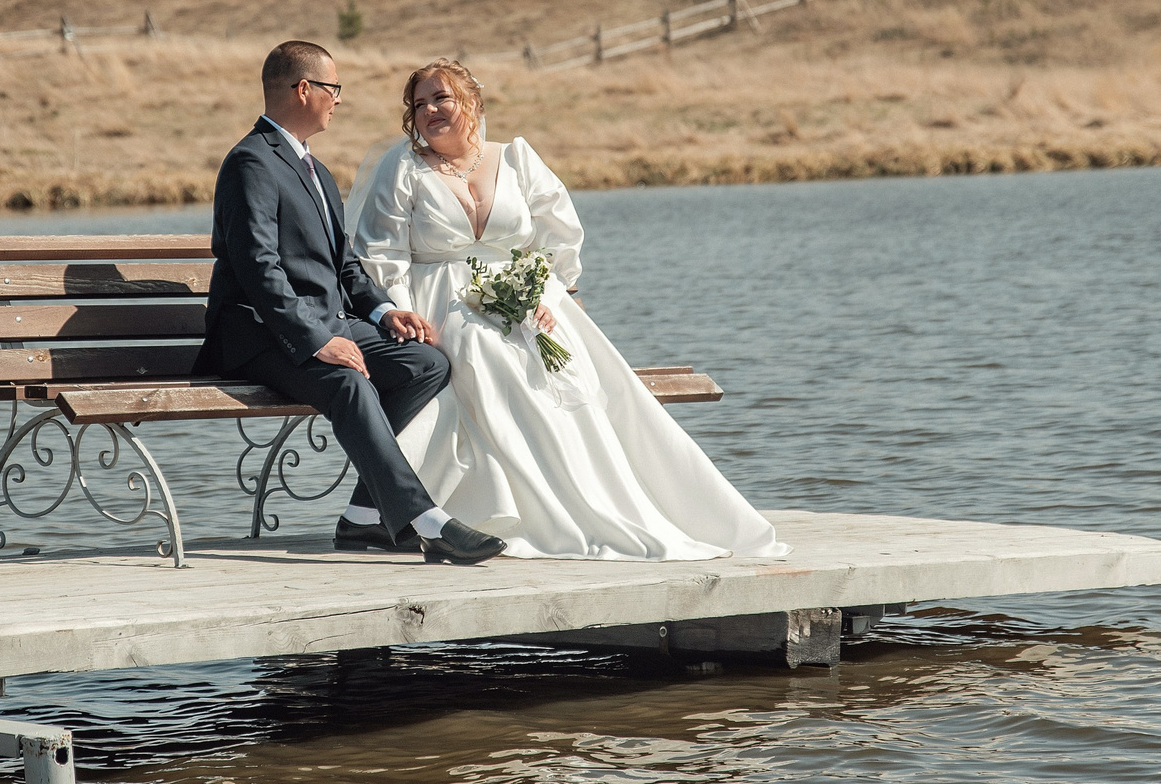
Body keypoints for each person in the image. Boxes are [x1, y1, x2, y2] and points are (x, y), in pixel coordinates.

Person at [344, 59, 788, 561]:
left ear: (471, 102)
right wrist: (406, 315)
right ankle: (508, 510)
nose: (429, 111)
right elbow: (382, 254)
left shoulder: (515, 159)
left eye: (440, 98)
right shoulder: (402, 168)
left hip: (523, 298)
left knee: (571, 373)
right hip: (438, 302)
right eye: (419, 104)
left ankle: (599, 502)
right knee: (481, 352)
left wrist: (543, 295)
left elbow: (557, 236)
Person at [197, 40, 508, 564]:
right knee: (348, 380)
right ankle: (427, 520)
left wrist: (387, 312)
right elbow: (257, 270)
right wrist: (320, 341)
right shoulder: (250, 162)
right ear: (304, 89)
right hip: (258, 334)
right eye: (332, 88)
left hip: (321, 322)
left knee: (424, 363)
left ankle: (364, 515)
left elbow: (344, 268)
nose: (338, 100)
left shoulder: (315, 171)